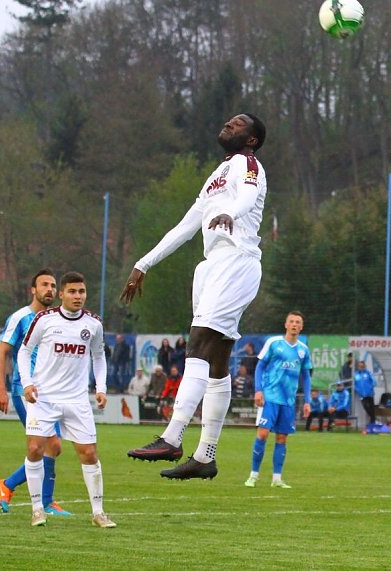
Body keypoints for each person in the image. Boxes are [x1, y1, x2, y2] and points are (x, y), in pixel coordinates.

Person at [122, 112, 267, 480]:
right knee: (217, 360)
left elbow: (248, 197)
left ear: (251, 139)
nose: (229, 124)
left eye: (239, 124)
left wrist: (230, 213)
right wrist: (143, 263)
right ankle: (205, 456)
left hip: (236, 260)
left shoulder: (248, 164)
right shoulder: (217, 175)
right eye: (229, 121)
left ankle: (172, 436)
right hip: (212, 265)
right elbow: (185, 227)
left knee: (198, 343)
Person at [18, 271, 115, 528]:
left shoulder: (93, 324)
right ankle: (37, 509)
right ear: (61, 294)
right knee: (35, 449)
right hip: (43, 398)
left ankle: (98, 513)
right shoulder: (44, 319)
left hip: (77, 400)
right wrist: (27, 383)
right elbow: (24, 352)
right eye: (72, 291)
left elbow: (99, 357)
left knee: (89, 453)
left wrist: (101, 388)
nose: (77, 296)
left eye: (81, 291)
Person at [0, 269, 69, 516]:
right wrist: (0, 389)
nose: (49, 289)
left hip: (51, 393)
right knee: (48, 444)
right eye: (44, 284)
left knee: (52, 447)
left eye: (53, 285)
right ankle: (43, 501)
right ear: (33, 290)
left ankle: (9, 486)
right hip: (25, 391)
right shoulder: (20, 318)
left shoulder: (56, 319)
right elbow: (2, 353)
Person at [244, 311, 311, 488]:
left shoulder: (303, 350)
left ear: (301, 327)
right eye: (292, 321)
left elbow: (306, 376)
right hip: (270, 397)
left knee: (282, 438)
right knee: (263, 434)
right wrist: (258, 390)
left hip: (288, 401)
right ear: (286, 324)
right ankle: (253, 475)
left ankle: (276, 479)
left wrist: (307, 401)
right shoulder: (274, 343)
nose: (294, 324)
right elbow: (260, 367)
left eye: (298, 322)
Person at [354, 360, 377, 425]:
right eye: (360, 366)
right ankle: (373, 419)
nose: (361, 367)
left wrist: (370, 388)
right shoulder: (356, 374)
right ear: (358, 366)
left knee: (371, 408)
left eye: (362, 366)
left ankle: (373, 422)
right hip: (362, 395)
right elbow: (354, 384)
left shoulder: (368, 373)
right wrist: (357, 390)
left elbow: (374, 381)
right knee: (366, 407)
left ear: (364, 366)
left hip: (370, 394)